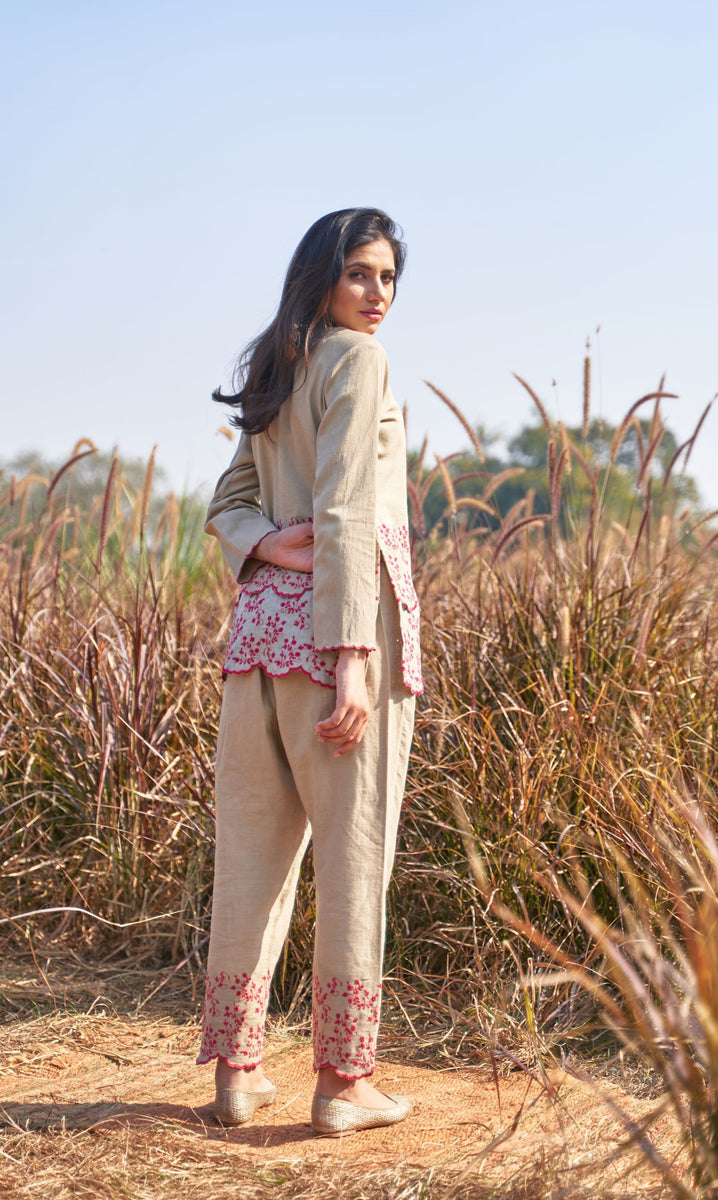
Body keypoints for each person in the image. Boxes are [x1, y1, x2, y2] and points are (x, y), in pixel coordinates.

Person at [196, 208, 422, 1138]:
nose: (378, 296)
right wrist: (353, 660)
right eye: (361, 274)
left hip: (255, 647)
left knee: (250, 858)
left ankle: (238, 1075)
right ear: (323, 276)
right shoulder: (356, 361)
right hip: (339, 641)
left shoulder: (277, 367)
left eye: (389, 279)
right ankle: (342, 1081)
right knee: (353, 854)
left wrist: (266, 552)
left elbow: (230, 504)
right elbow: (342, 512)